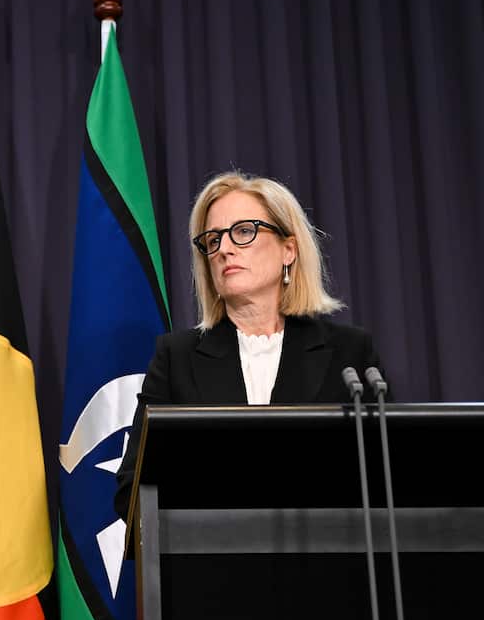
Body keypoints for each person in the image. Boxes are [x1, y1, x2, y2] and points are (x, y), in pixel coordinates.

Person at [114, 170, 384, 518]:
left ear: (289, 249)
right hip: (215, 563)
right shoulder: (176, 358)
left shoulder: (350, 355)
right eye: (212, 240)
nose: (224, 249)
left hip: (325, 565)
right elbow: (132, 491)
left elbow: (388, 480)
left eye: (243, 232)